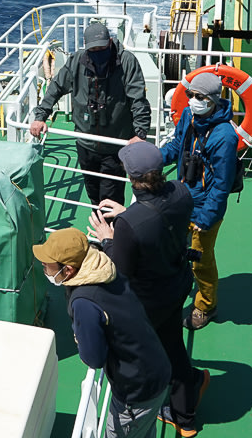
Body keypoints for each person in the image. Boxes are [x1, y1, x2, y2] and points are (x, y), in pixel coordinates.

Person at [87, 141, 210, 437]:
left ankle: (160, 404)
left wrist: (108, 239)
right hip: (177, 284)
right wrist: (130, 212)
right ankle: (186, 415)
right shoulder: (181, 192)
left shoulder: (130, 225)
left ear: (131, 176)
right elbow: (159, 216)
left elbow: (119, 270)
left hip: (148, 302)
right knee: (172, 342)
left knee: (148, 352)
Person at [33, 227, 169, 438]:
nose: (43, 267)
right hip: (156, 367)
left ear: (68, 270)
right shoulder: (104, 266)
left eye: (47, 264)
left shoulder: (84, 303)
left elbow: (93, 358)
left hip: (137, 391)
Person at [29, 21, 152, 205]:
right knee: (93, 194)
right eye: (93, 50)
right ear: (86, 49)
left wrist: (140, 133)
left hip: (114, 146)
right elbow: (56, 87)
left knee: (111, 198)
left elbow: (138, 100)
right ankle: (102, 228)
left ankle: (110, 231)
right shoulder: (77, 61)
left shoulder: (126, 62)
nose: (98, 53)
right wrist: (40, 117)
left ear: (110, 42)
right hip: (85, 145)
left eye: (102, 48)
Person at [159, 72, 239, 330]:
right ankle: (179, 288)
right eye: (191, 95)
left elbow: (221, 185)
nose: (193, 100)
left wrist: (206, 218)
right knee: (173, 247)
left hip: (204, 210)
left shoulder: (224, 136)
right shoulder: (188, 117)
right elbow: (176, 147)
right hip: (183, 198)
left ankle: (206, 306)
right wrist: (153, 158)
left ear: (214, 100)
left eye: (200, 97)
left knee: (201, 260)